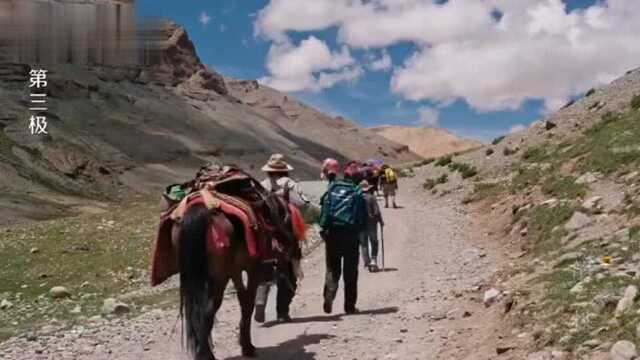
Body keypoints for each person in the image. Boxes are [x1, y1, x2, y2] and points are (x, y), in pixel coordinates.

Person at [254, 154, 308, 323]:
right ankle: (282, 313)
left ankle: (260, 301)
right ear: (285, 171)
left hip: (265, 238)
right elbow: (303, 205)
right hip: (287, 238)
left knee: (264, 270)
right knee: (288, 274)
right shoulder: (290, 185)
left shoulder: (260, 186)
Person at [319, 168, 366, 315]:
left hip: (332, 234)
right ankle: (349, 306)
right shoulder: (357, 192)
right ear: (357, 180)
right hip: (351, 236)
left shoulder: (333, 188)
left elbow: (323, 206)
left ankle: (329, 294)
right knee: (350, 272)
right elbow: (362, 218)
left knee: (333, 268)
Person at [359, 180, 384, 272]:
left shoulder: (357, 198)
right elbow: (376, 212)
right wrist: (381, 221)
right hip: (371, 223)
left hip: (360, 224)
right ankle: (373, 260)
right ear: (368, 188)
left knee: (363, 244)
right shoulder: (371, 197)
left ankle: (367, 261)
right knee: (374, 241)